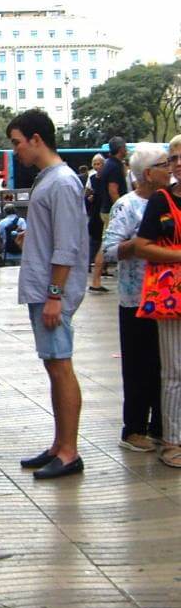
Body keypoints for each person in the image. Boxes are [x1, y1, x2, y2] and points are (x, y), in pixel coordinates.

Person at [7, 109, 88, 480]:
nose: (16, 151)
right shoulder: (50, 180)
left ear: (36, 139)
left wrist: (56, 294)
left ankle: (69, 451)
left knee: (60, 365)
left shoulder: (62, 182)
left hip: (51, 291)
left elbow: (68, 245)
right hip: (43, 287)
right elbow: (55, 236)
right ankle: (60, 444)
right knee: (53, 365)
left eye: (17, 142)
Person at [102, 143, 170, 453]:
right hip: (136, 298)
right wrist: (141, 244)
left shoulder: (168, 202)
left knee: (164, 365)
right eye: (164, 164)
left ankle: (160, 425)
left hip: (167, 298)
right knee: (138, 366)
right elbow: (109, 250)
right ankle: (134, 429)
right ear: (147, 173)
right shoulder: (127, 206)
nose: (170, 169)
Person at [134, 133, 181, 469]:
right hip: (171, 296)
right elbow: (141, 246)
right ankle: (173, 442)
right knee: (174, 371)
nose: (176, 164)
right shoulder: (162, 201)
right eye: (174, 158)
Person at [91, 138, 129, 293]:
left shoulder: (110, 164)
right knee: (105, 245)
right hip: (111, 211)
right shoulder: (113, 166)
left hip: (107, 209)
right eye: (125, 147)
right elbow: (113, 190)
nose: (126, 150)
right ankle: (95, 281)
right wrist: (123, 210)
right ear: (120, 149)